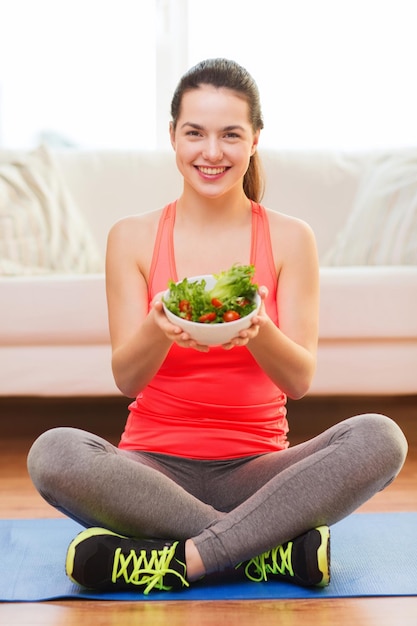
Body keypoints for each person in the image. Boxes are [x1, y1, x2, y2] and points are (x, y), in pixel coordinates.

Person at [27, 58, 408, 595]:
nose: (212, 152)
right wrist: (159, 327)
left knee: (381, 437)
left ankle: (179, 556)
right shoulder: (131, 238)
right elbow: (127, 380)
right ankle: (269, 550)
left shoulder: (291, 237)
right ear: (173, 138)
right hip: (152, 470)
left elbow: (299, 381)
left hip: (261, 473)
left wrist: (260, 330)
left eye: (230, 134)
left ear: (254, 140)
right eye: (195, 133)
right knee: (54, 452)